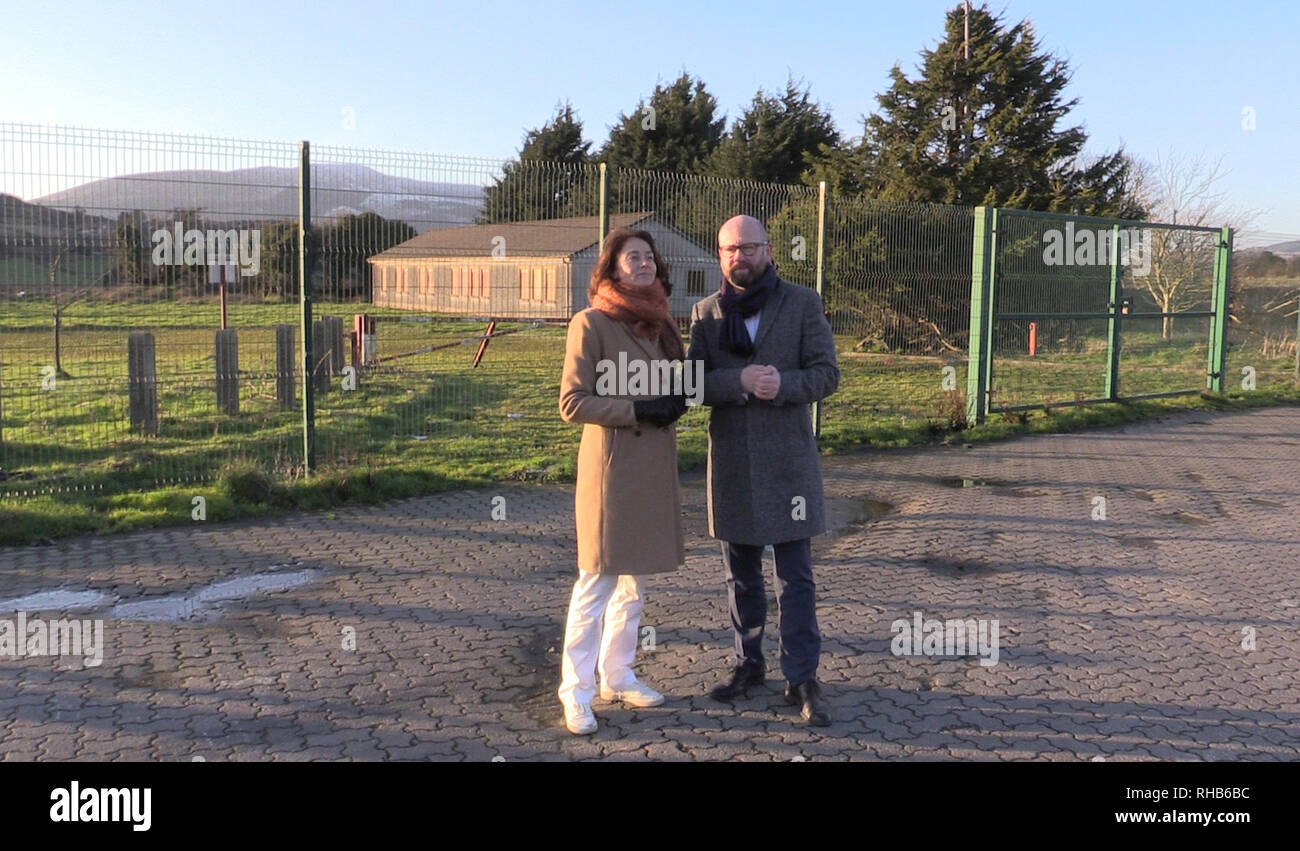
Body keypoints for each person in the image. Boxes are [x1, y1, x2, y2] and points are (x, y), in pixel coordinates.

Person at [687, 214, 840, 726]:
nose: (740, 257)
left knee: (795, 578)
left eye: (750, 248)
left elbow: (826, 374)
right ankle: (748, 664)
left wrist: (785, 386)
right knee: (740, 576)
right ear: (720, 254)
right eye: (731, 249)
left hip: (788, 463)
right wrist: (739, 382)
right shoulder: (705, 314)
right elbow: (692, 385)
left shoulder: (802, 303)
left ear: (769, 251)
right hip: (731, 462)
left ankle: (802, 677)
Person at [557, 227, 688, 735]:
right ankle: (576, 691)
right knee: (597, 580)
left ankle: (618, 673)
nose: (643, 263)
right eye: (632, 257)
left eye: (649, 256)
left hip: (653, 468)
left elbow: (673, 385)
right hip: (611, 472)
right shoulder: (590, 323)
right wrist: (638, 408)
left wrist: (683, 394)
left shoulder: (659, 325)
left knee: (635, 582)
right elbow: (572, 403)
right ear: (611, 269)